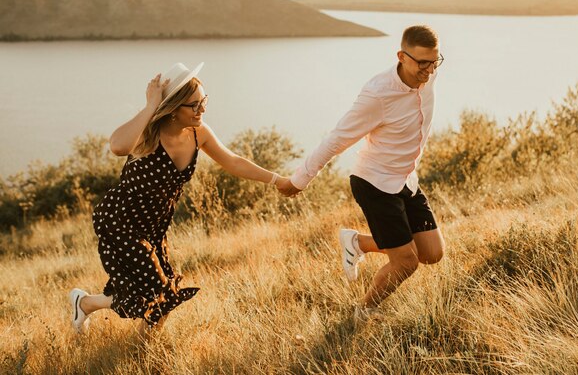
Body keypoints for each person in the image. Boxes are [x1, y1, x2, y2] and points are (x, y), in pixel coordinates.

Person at [70, 62, 289, 335]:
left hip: (154, 226)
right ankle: (143, 358)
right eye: (194, 105)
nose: (202, 110)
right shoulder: (148, 134)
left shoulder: (199, 133)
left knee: (147, 293)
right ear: (172, 107)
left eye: (204, 101)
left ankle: (85, 303)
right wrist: (151, 105)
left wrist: (277, 180)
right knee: (160, 293)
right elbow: (117, 146)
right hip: (121, 221)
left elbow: (233, 161)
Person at [277, 25, 446, 322]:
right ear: (401, 57)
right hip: (375, 183)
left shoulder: (427, 74)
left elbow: (429, 72)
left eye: (435, 61)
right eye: (422, 62)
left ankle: (357, 243)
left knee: (431, 253)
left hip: (406, 179)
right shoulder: (378, 95)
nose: (430, 70)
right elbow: (337, 138)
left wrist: (429, 66)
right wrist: (299, 180)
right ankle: (364, 310)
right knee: (406, 262)